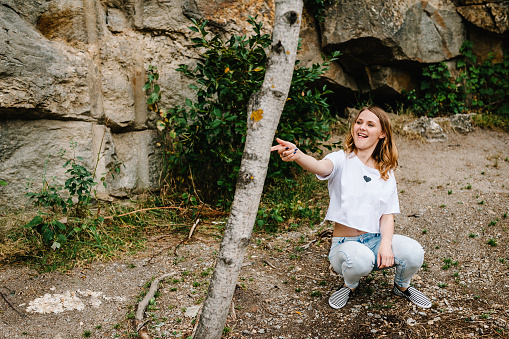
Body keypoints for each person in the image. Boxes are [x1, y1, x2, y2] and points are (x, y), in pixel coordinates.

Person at [270, 106, 431, 309]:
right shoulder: (341, 159)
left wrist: (385, 244)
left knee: (414, 252)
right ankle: (350, 286)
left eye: (370, 124)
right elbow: (320, 166)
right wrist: (298, 154)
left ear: (382, 134)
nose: (361, 127)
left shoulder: (386, 172)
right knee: (360, 259)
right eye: (359, 122)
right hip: (345, 245)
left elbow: (387, 215)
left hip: (374, 240)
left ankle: (401, 286)